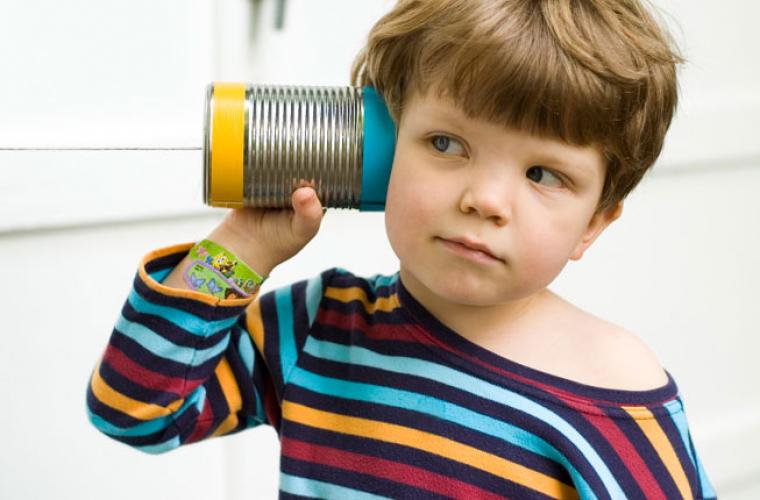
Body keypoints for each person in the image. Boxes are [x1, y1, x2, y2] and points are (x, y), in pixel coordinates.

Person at [86, 0, 717, 497]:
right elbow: (137, 412)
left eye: (543, 175)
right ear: (376, 152)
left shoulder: (612, 394)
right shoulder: (318, 326)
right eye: (446, 144)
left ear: (593, 225)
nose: (485, 199)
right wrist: (242, 248)